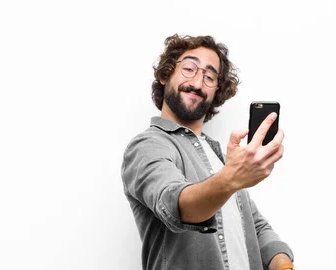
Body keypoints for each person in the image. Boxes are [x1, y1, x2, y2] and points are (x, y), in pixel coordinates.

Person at [121, 34, 294, 270]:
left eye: (210, 77)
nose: (198, 83)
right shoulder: (148, 145)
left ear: (217, 92)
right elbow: (176, 205)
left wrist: (282, 264)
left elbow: (255, 227)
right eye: (189, 68)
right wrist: (231, 178)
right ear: (165, 74)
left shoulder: (220, 158)